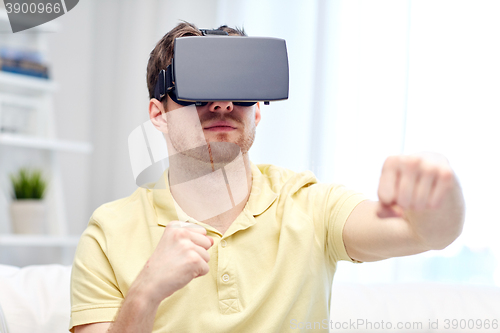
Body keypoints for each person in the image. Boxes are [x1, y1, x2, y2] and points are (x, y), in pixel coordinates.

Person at [70, 22, 465, 333]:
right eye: (198, 88)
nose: (222, 103)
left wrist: (439, 190)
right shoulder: (108, 233)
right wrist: (145, 292)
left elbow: (426, 234)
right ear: (159, 115)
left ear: (257, 110)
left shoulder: (309, 205)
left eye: (239, 89)